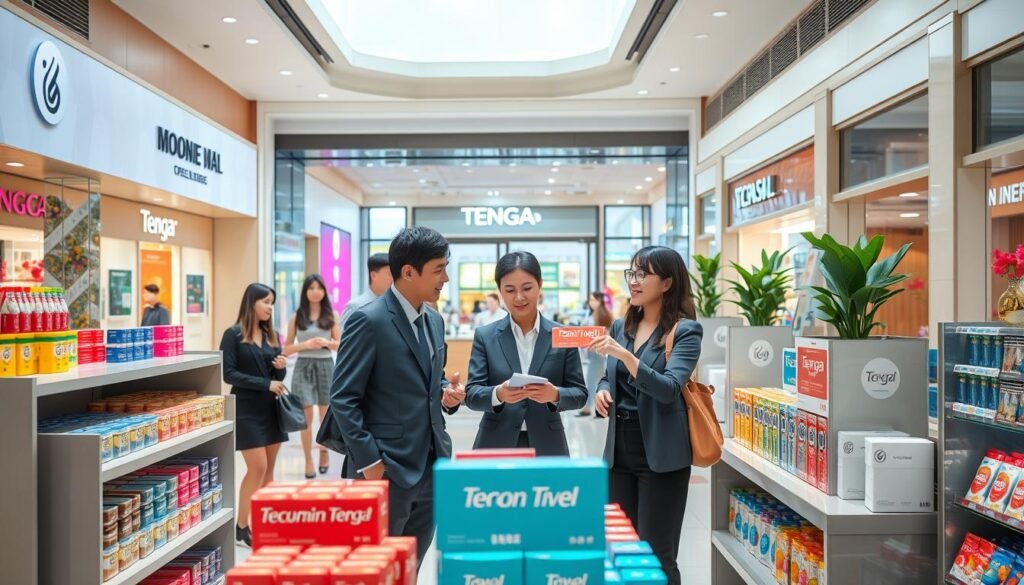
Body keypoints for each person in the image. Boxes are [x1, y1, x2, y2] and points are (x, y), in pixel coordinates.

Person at [317, 226, 466, 568]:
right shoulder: (367, 320)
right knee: (376, 568)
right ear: (409, 272)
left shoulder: (434, 321)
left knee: (410, 564)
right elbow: (343, 397)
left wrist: (446, 394)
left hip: (430, 465)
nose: (445, 278)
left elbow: (426, 381)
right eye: (438, 269)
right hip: (384, 469)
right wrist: (371, 464)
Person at [588, 246, 702, 585]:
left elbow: (668, 389)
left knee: (657, 554)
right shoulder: (623, 325)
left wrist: (626, 357)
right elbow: (609, 375)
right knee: (623, 549)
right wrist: (602, 390)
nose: (634, 282)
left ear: (666, 283)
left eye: (642, 275)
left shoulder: (685, 331)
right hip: (619, 452)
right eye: (631, 274)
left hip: (661, 455)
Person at [465, 251, 588, 455]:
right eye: (510, 290)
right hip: (495, 444)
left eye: (527, 288)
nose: (519, 297)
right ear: (500, 291)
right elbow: (472, 394)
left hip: (548, 446)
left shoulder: (562, 335)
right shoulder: (485, 336)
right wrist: (498, 394)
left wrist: (555, 394)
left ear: (540, 284)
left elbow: (580, 394)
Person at [220, 283, 288, 549]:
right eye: (266, 302)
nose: (270, 307)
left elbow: (275, 377)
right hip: (247, 408)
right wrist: (265, 384)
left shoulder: (272, 335)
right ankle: (241, 526)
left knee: (269, 470)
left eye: (272, 302)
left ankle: (264, 522)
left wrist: (280, 371)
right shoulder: (233, 334)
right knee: (257, 467)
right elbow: (229, 373)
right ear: (252, 304)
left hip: (271, 408)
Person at [284, 274, 340, 479]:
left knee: (325, 416)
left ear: (324, 292)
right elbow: (287, 349)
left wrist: (325, 343)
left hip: (326, 365)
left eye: (319, 288)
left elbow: (341, 344)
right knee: (305, 418)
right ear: (305, 292)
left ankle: (324, 453)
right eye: (311, 288)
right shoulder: (297, 316)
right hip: (303, 366)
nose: (315, 291)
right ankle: (308, 459)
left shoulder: (332, 314)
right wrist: (306, 345)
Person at [579, 291, 614, 417]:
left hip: (597, 353)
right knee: (597, 380)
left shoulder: (599, 316)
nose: (591, 302)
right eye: (590, 300)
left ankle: (590, 408)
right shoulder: (598, 314)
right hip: (597, 352)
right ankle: (595, 408)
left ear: (599, 301)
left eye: (593, 300)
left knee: (592, 380)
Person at [340, 253, 393, 332]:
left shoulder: (394, 305)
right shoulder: (355, 307)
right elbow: (345, 341)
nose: (394, 278)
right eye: (390, 274)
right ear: (373, 275)